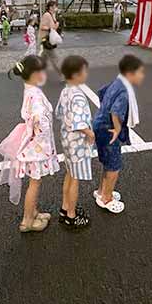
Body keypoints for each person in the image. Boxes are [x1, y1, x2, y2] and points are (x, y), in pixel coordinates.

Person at [0, 55, 60, 233]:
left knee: (34, 181)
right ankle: (27, 221)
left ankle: (33, 212)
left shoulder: (30, 89)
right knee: (35, 182)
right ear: (35, 74)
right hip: (37, 146)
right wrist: (45, 144)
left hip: (31, 141)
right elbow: (41, 120)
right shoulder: (36, 95)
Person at [92, 54, 145, 213]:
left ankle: (101, 191)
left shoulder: (117, 81)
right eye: (140, 72)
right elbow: (116, 112)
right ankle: (106, 198)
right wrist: (117, 129)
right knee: (114, 166)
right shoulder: (124, 91)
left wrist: (104, 110)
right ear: (130, 73)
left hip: (100, 125)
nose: (142, 76)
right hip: (108, 130)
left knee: (107, 162)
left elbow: (102, 91)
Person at [55, 55, 94, 229]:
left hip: (66, 140)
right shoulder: (78, 95)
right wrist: (90, 133)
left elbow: (59, 113)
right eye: (84, 70)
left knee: (69, 174)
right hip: (77, 144)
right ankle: (71, 215)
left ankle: (65, 208)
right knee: (75, 178)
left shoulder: (66, 90)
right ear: (77, 74)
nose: (86, 73)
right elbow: (79, 123)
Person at [38, 1, 61, 75]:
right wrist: (52, 28)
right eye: (55, 6)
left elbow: (53, 26)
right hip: (46, 39)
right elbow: (42, 26)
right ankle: (63, 75)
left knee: (43, 58)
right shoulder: (47, 15)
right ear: (51, 7)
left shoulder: (52, 15)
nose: (56, 8)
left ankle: (36, 71)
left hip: (48, 39)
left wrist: (55, 26)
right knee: (55, 58)